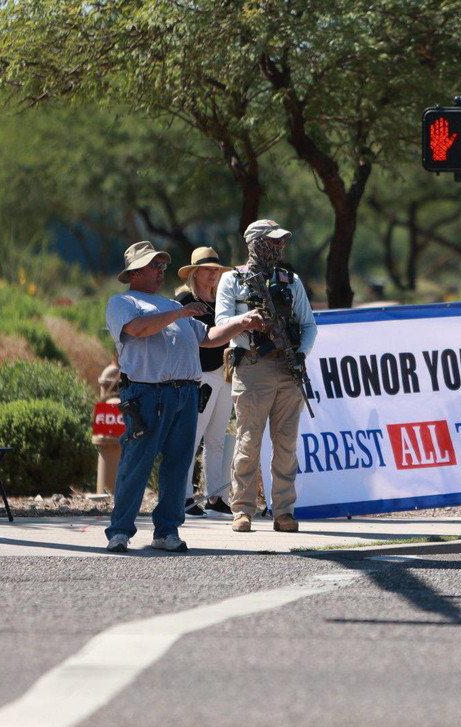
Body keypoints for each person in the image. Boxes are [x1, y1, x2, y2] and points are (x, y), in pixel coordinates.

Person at [104, 241, 264, 553]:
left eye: (162, 264)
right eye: (154, 265)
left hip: (185, 394)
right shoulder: (123, 303)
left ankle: (167, 531)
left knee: (178, 466)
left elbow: (207, 337)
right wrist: (179, 312)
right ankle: (120, 531)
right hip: (145, 394)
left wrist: (241, 323)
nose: (161, 269)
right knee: (136, 464)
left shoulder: (169, 305)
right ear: (135, 273)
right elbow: (138, 329)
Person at [215, 219, 318, 533]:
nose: (279, 247)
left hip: (288, 371)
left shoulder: (291, 280)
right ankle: (242, 510)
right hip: (252, 367)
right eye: (273, 241)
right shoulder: (232, 281)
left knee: (286, 445)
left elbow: (309, 325)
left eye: (281, 242)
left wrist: (299, 355)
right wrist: (248, 325)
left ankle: (283, 512)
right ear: (256, 243)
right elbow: (221, 324)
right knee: (248, 442)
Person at [175, 246, 236, 518]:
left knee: (217, 438)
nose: (213, 275)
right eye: (208, 270)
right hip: (201, 375)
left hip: (224, 374)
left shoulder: (223, 300)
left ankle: (215, 496)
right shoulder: (185, 300)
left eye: (216, 270)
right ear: (195, 272)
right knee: (192, 436)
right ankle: (184, 495)